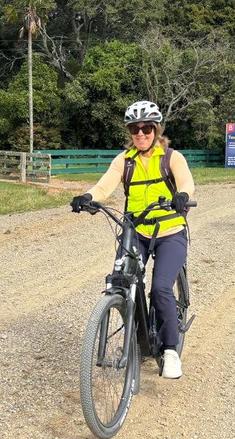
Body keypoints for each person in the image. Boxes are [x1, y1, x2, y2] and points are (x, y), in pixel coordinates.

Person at [70, 101, 195, 379]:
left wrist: (182, 196)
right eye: (135, 129)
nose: (141, 133)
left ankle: (170, 351)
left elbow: (186, 182)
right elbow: (105, 185)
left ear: (156, 129)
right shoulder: (124, 160)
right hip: (135, 229)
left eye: (146, 128)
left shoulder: (171, 157)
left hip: (170, 231)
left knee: (161, 288)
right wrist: (89, 197)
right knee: (121, 280)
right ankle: (136, 336)